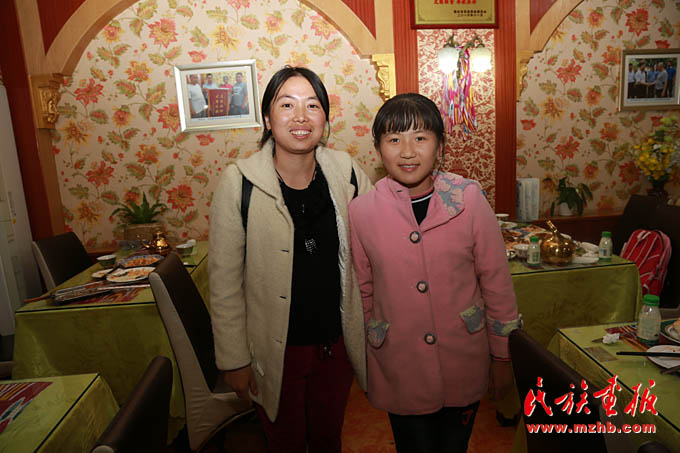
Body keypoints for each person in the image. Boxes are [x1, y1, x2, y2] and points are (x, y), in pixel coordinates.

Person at [209, 66, 372, 453]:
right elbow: (224, 282)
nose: (301, 116)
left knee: (329, 440)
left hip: (336, 346)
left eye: (312, 106)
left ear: (325, 119)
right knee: (286, 443)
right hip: (275, 352)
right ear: (268, 118)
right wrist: (233, 360)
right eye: (287, 105)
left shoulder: (346, 171)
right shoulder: (239, 181)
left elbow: (381, 234)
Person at [348, 93, 520, 453]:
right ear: (378, 149)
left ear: (440, 146)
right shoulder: (362, 211)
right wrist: (368, 357)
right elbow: (363, 290)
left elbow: (497, 283)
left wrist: (503, 357)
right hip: (398, 364)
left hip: (464, 359)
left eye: (420, 138)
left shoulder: (468, 200)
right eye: (394, 139)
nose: (408, 151)